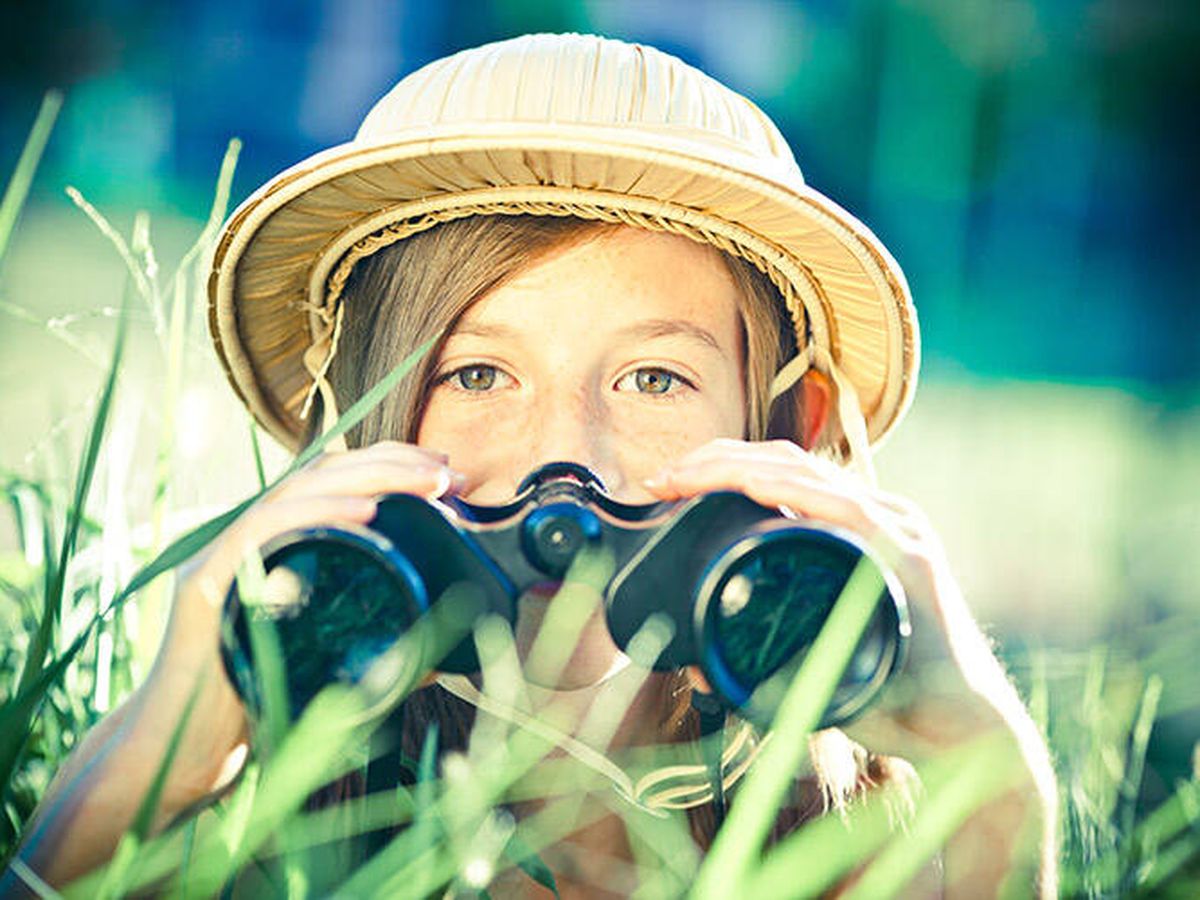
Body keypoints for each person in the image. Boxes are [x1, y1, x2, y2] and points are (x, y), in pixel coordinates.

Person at [2, 33, 1058, 897]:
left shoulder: (871, 854)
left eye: (653, 380)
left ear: (788, 430)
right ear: (352, 424)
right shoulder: (249, 840)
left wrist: (991, 774)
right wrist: (159, 751)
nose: (566, 459)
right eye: (474, 374)